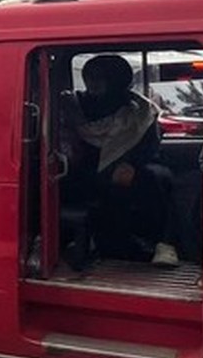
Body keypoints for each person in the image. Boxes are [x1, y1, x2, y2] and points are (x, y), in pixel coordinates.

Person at [62, 54, 179, 267]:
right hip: (86, 171)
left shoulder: (140, 110)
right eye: (90, 76)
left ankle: (164, 243)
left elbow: (149, 146)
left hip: (131, 167)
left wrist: (131, 164)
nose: (93, 82)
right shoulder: (74, 105)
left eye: (101, 77)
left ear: (117, 80)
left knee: (155, 178)